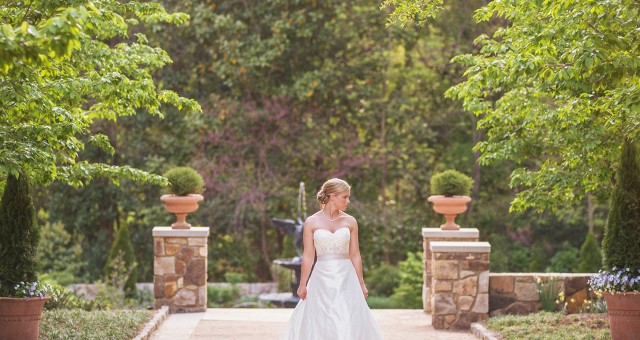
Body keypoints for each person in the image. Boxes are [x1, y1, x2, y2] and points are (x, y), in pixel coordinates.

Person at [281, 178, 384, 340]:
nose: (348, 201)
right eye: (345, 197)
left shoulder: (350, 221)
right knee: (320, 317)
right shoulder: (311, 222)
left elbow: (355, 254)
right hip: (321, 278)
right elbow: (308, 255)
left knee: (346, 316)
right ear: (332, 196)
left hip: (346, 277)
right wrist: (302, 284)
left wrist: (361, 284)